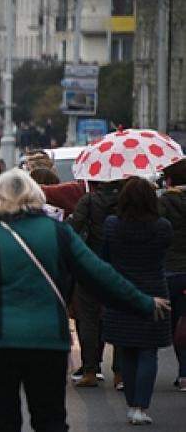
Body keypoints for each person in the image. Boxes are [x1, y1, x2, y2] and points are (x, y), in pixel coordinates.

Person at [0, 169, 169, 432]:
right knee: (50, 419)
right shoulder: (58, 233)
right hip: (48, 339)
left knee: (5, 421)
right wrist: (144, 302)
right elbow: (99, 275)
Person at [103, 177, 173, 424]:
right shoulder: (163, 227)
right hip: (155, 291)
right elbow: (164, 252)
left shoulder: (111, 225)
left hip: (121, 292)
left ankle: (131, 403)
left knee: (127, 349)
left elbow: (106, 257)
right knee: (148, 351)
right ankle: (141, 407)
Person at [69, 180, 123, 387]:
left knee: (88, 318)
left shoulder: (89, 201)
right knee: (119, 317)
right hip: (120, 266)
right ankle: (120, 372)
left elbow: (73, 228)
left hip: (91, 265)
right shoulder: (128, 201)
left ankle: (90, 370)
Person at [158, 159, 186, 390]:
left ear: (169, 180)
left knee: (175, 321)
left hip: (169, 270)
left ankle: (183, 372)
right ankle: (185, 372)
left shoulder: (165, 201)